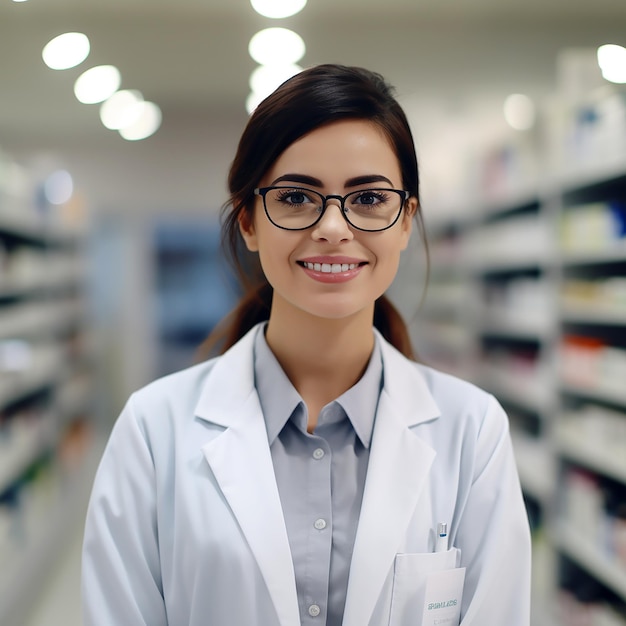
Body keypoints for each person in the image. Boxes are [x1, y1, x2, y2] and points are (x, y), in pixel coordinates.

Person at [82, 64, 531, 626]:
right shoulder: (153, 430)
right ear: (248, 220)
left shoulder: (472, 432)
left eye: (368, 198)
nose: (334, 227)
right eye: (297, 196)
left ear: (405, 222)